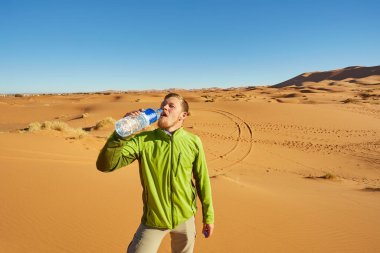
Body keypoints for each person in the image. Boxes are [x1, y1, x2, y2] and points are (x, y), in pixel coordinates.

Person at [96, 93, 215, 253]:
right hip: (153, 221)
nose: (164, 107)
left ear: (183, 115)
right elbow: (106, 165)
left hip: (186, 219)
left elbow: (202, 180)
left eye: (171, 105)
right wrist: (121, 133)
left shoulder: (193, 141)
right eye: (163, 104)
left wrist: (209, 216)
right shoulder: (143, 140)